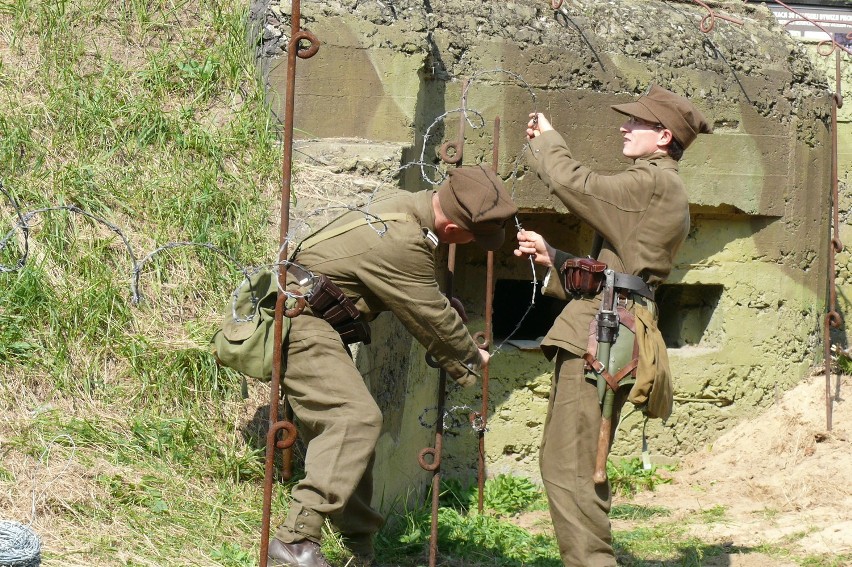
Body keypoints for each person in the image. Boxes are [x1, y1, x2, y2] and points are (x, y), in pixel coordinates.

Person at [267, 164, 518, 567]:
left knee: (357, 429)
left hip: (311, 316)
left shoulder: (405, 207)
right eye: (475, 236)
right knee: (355, 418)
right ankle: (295, 539)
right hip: (297, 320)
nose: (473, 243)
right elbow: (431, 313)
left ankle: (357, 547)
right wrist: (472, 357)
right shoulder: (403, 237)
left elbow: (418, 294)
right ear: (454, 231)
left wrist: (437, 307)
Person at [515, 85, 711, 567]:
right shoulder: (655, 184)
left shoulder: (654, 182)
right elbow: (621, 270)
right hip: (607, 324)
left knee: (572, 469)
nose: (624, 128)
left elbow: (578, 185)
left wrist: (548, 142)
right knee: (570, 464)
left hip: (603, 333)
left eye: (636, 124)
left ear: (664, 137)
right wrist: (556, 258)